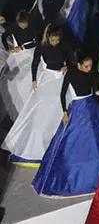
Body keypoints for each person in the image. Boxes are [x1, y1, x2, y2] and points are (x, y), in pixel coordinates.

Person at [3, 24, 73, 166]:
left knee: (60, 107)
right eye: (52, 40)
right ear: (48, 38)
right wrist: (34, 79)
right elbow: (35, 63)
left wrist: (68, 67)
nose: (55, 42)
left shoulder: (65, 46)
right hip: (47, 77)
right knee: (40, 108)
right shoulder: (42, 47)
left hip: (61, 77)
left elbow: (72, 59)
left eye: (57, 40)